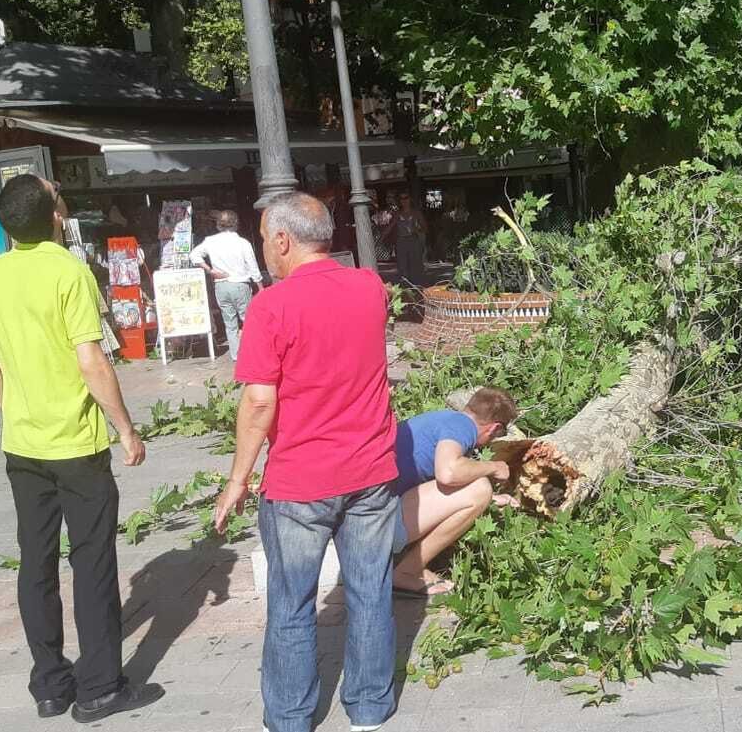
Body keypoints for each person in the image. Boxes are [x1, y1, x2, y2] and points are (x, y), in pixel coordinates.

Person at [0, 174, 163, 723]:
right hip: (76, 444)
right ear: (55, 217)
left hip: (22, 443)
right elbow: (91, 359)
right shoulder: (68, 271)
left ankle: (51, 685)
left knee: (35, 563)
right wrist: (125, 427)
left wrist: (16, 411)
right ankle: (101, 686)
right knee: (92, 561)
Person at [212, 192, 399, 732]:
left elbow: (258, 400)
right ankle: (368, 708)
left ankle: (292, 718)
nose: (264, 250)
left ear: (282, 240)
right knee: (370, 592)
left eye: (265, 237)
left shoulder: (272, 305)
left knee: (292, 605)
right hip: (371, 473)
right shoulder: (369, 287)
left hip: (300, 482)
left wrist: (237, 480)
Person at [392, 387, 519, 597]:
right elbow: (448, 474)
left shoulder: (442, 419)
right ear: (494, 428)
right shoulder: (462, 428)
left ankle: (399, 564)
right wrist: (494, 467)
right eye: (501, 433)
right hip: (379, 524)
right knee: (480, 488)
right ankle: (406, 571)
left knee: (482, 492)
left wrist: (492, 500)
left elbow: (440, 487)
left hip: (367, 514)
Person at [190, 209, 263, 361]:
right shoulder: (243, 243)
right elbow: (253, 267)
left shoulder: (210, 241)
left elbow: (194, 255)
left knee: (229, 323)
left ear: (219, 225)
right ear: (236, 224)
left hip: (221, 286)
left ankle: (236, 355)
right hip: (240, 285)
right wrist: (260, 287)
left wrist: (210, 271)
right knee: (248, 320)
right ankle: (252, 352)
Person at [394, 191, 428, 288]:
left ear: (410, 199)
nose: (404, 201)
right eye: (401, 198)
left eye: (406, 198)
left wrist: (417, 229)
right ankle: (405, 289)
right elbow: (390, 227)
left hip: (413, 240)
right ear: (399, 201)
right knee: (402, 266)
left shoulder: (416, 213)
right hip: (401, 241)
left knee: (416, 266)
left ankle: (418, 288)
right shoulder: (397, 214)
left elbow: (425, 228)